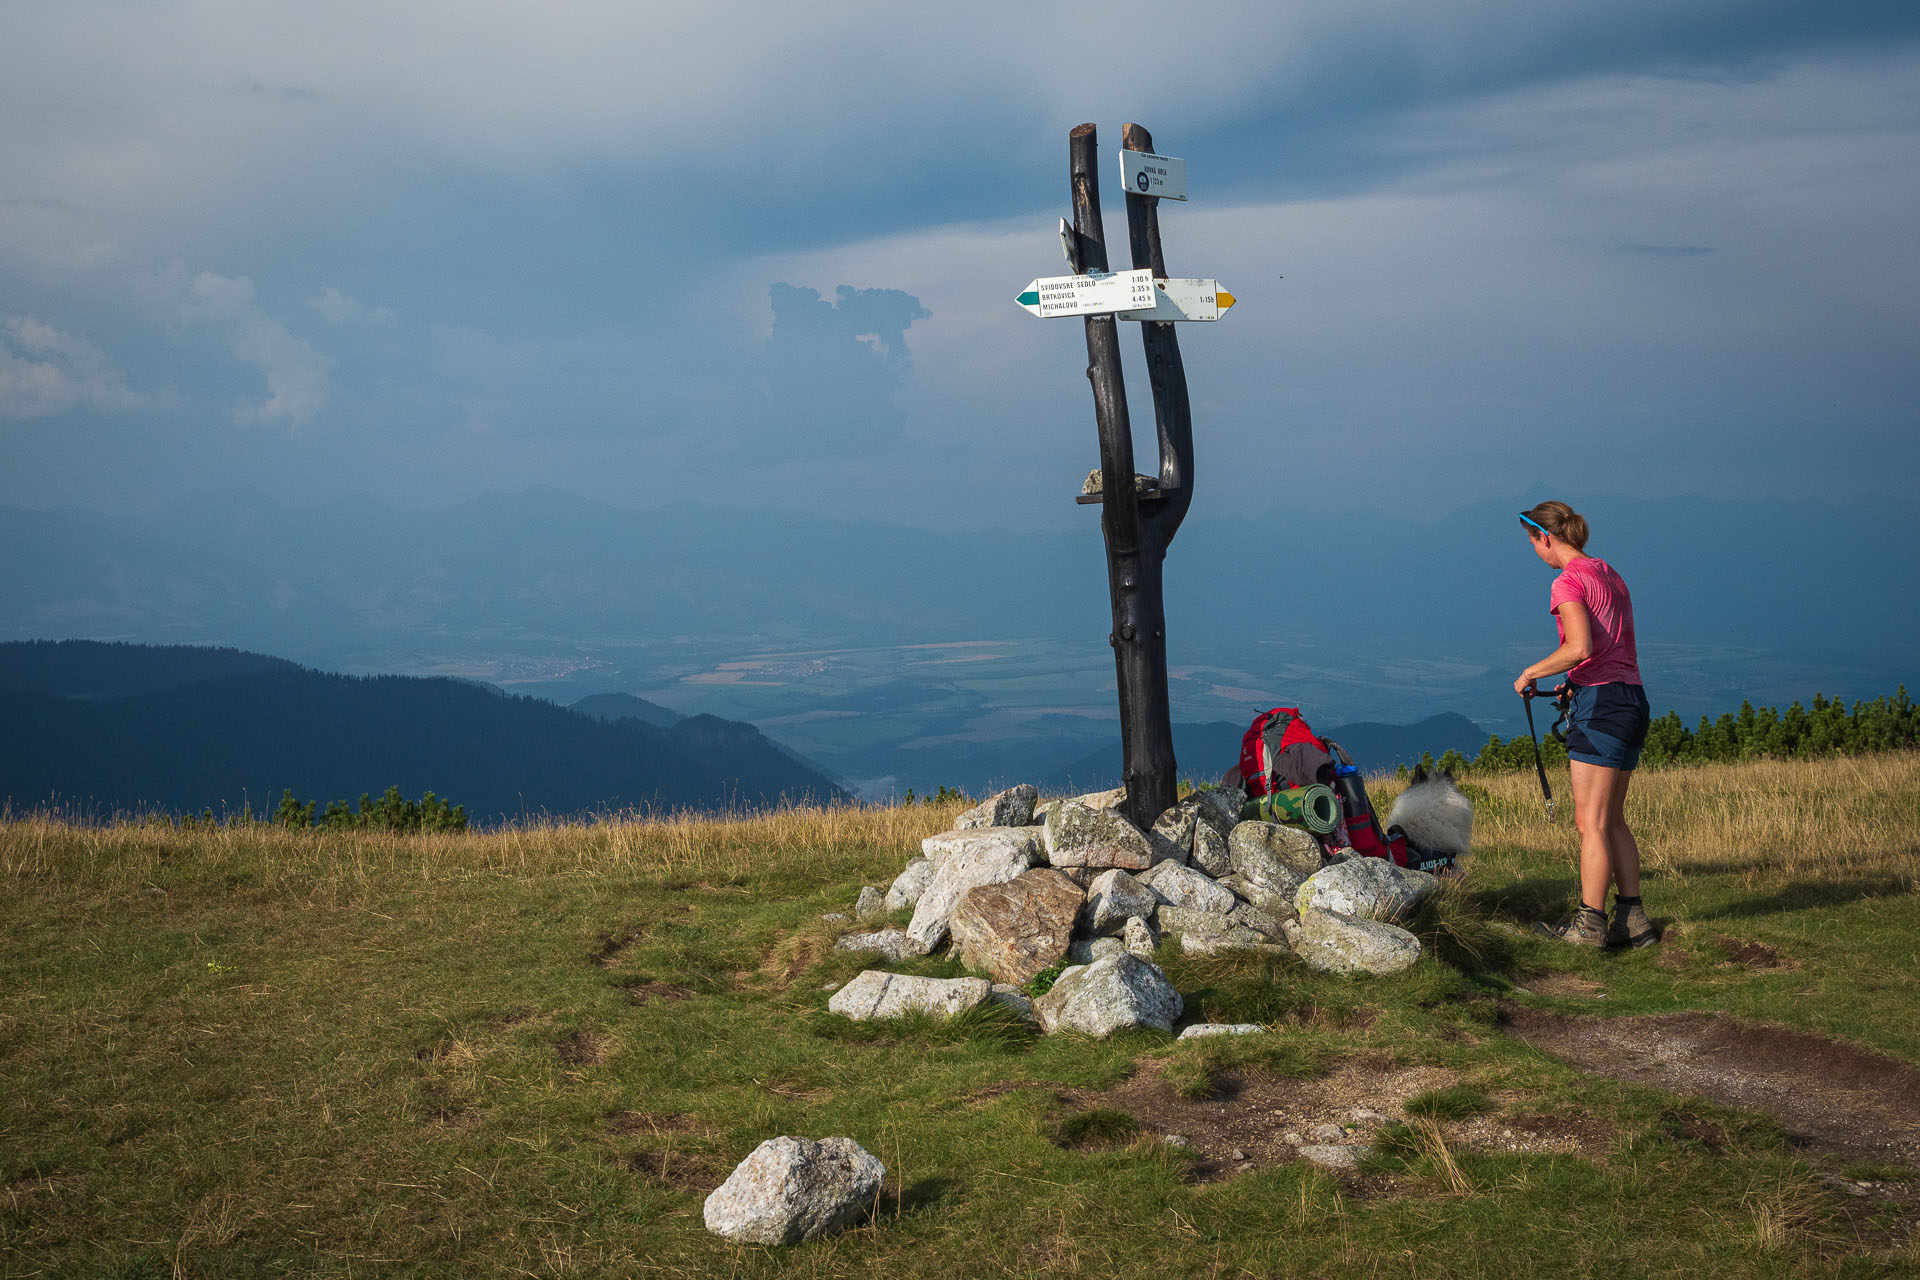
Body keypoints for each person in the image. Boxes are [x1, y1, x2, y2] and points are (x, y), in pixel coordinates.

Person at [1512, 501, 1657, 948]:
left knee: (1589, 823)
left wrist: (1533, 672)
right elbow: (1609, 647)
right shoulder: (1608, 572)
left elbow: (1579, 646)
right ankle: (1633, 920)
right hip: (1632, 699)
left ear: (1545, 538)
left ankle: (1589, 924)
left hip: (1603, 707)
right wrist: (1574, 683)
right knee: (1613, 819)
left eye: (1532, 542)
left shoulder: (1567, 581)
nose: (1534, 550)